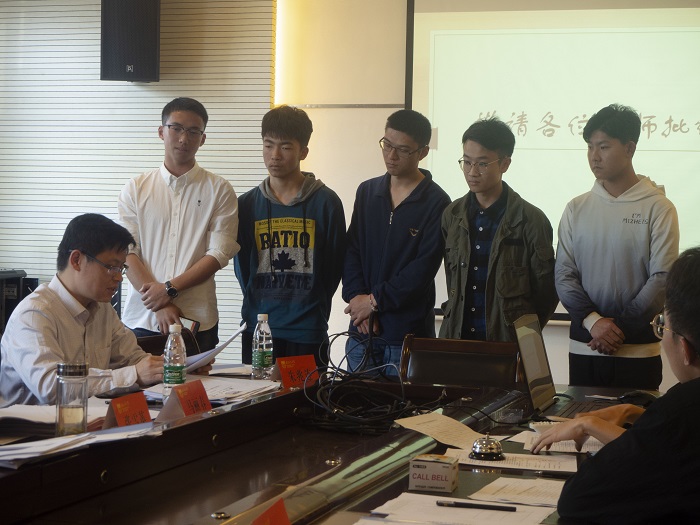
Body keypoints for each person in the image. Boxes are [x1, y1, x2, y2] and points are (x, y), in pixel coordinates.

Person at [532, 247, 700, 523]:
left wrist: (588, 424)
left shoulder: (681, 412)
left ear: (685, 348)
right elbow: (659, 451)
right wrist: (634, 413)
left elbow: (576, 499)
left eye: (662, 326)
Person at [556, 103, 679, 389]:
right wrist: (593, 322)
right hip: (585, 345)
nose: (594, 156)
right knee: (580, 415)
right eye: (590, 147)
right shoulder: (576, 208)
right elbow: (564, 274)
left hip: (638, 349)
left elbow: (662, 278)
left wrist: (617, 328)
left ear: (630, 148)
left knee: (637, 418)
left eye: (603, 147)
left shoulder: (659, 207)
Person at [0, 214, 164, 406]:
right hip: (31, 425)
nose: (119, 278)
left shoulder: (103, 309)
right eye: (112, 267)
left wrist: (167, 368)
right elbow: (52, 387)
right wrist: (133, 375)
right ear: (76, 260)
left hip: (89, 419)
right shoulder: (34, 314)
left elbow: (133, 359)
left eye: (121, 268)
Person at [118, 97, 239, 351]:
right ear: (161, 132)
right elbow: (126, 253)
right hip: (141, 319)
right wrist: (160, 303)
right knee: (139, 378)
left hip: (196, 320)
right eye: (176, 128)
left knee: (198, 379)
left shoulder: (219, 189)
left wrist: (168, 290)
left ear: (202, 139)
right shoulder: (136, 188)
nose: (184, 138)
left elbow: (218, 254)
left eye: (193, 131)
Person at [234, 105, 346, 367]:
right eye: (268, 145)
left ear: (303, 151)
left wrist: (312, 301)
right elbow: (243, 267)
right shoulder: (247, 204)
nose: (275, 155)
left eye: (285, 147)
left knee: (306, 394)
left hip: (308, 329)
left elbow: (333, 267)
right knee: (258, 393)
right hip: (259, 328)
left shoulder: (326, 202)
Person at [342, 109, 451, 376]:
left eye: (402, 150)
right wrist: (358, 301)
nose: (391, 156)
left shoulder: (437, 202)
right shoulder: (367, 192)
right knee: (356, 400)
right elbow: (352, 250)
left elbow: (422, 269)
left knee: (406, 405)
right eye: (387, 145)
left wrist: (374, 302)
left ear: (422, 152)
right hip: (361, 333)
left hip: (406, 337)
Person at [439, 117, 558, 341]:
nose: (472, 172)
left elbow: (546, 292)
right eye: (467, 162)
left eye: (482, 164)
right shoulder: (452, 215)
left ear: (505, 164)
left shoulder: (532, 220)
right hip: (457, 340)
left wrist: (523, 334)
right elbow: (452, 281)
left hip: (509, 342)